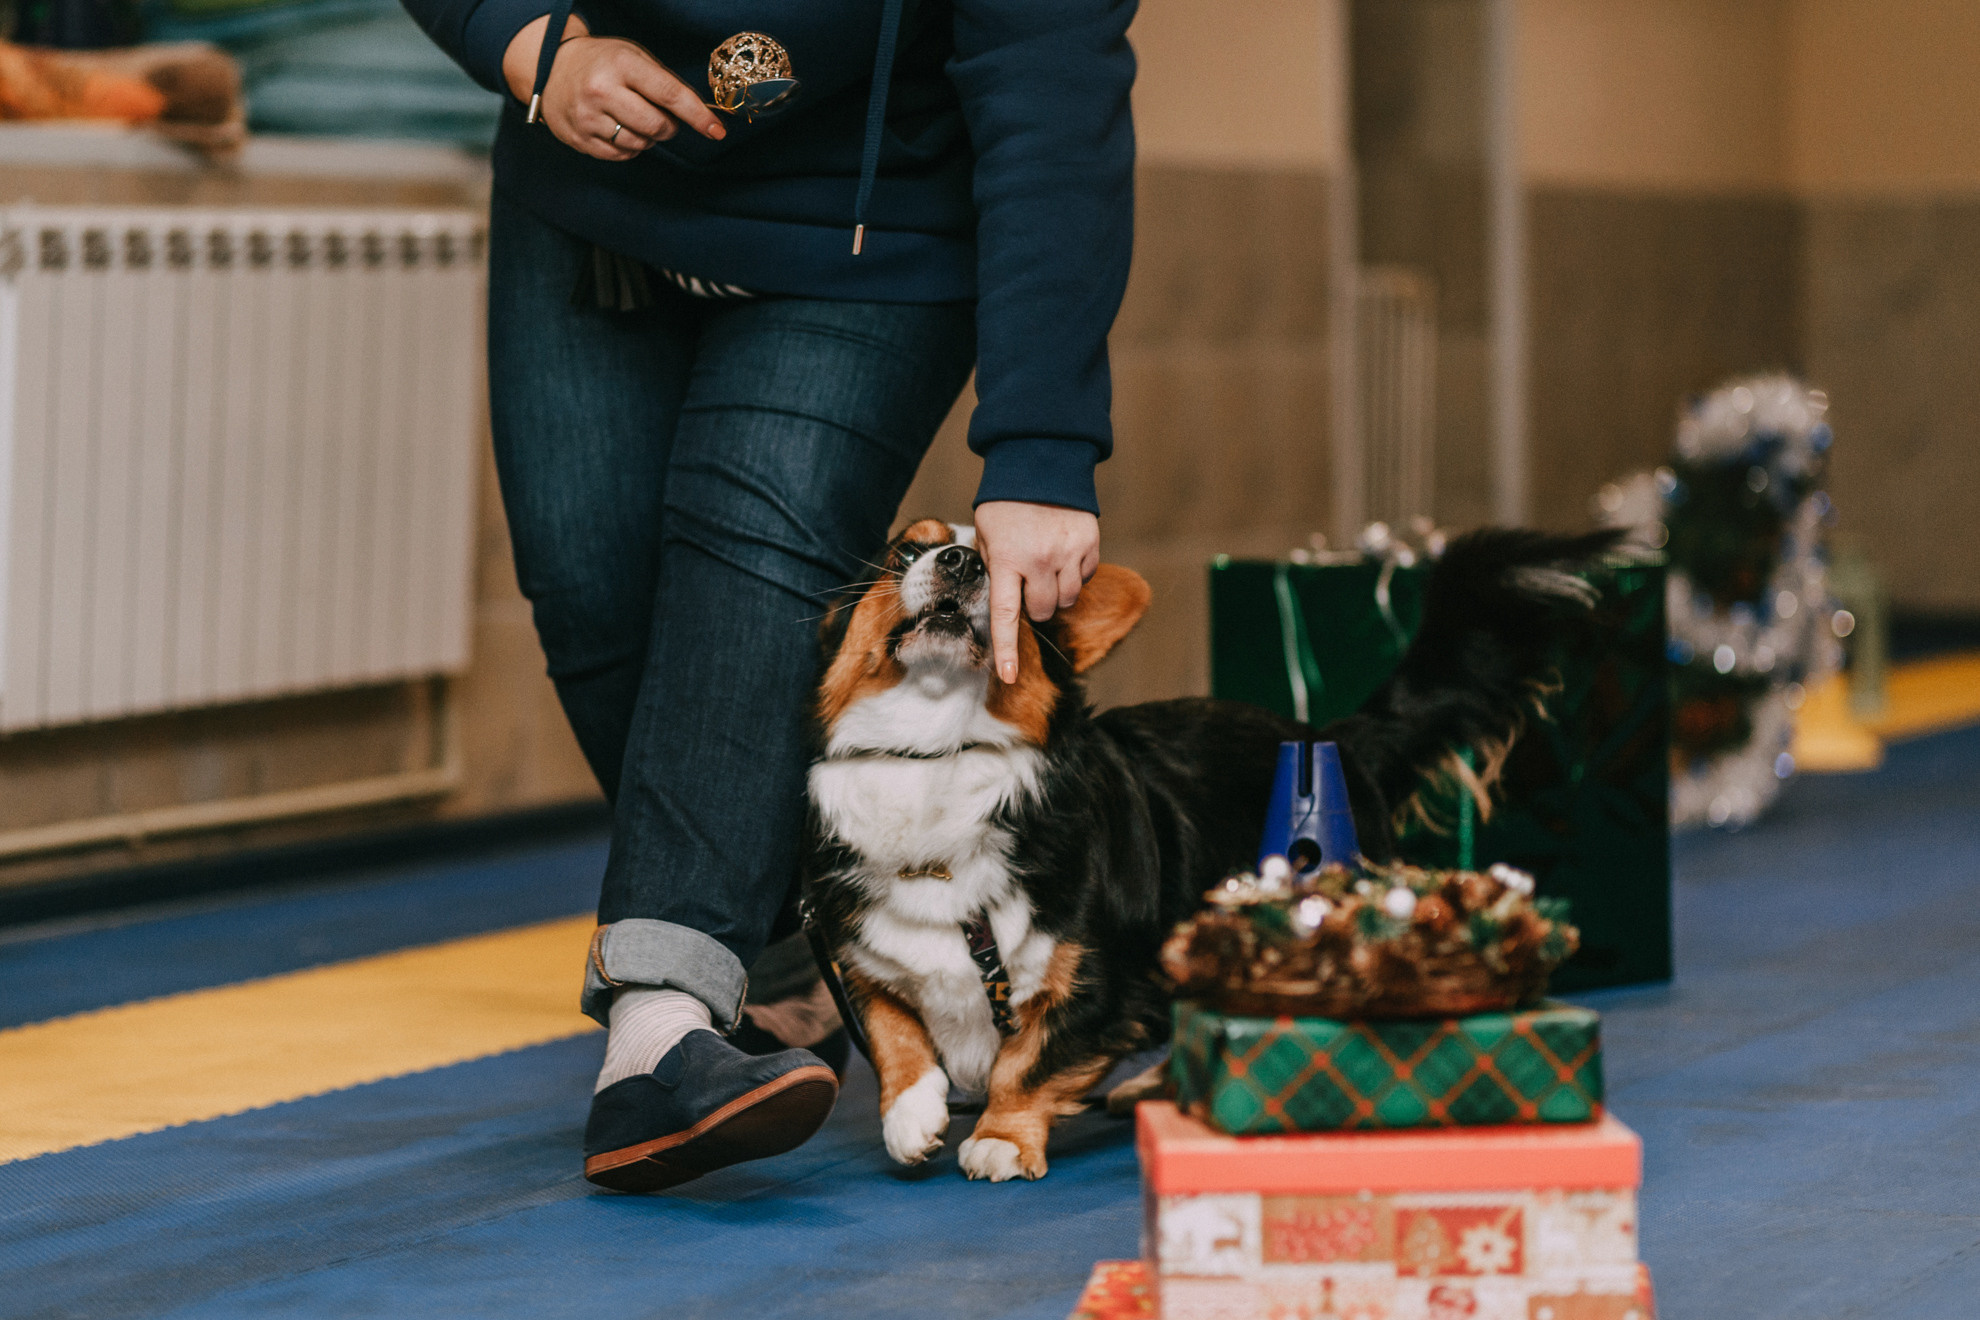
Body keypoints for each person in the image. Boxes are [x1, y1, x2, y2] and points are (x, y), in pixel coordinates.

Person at [401, 0, 1136, 1190]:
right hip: (589, 194)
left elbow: (1055, 93)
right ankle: (791, 946)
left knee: (752, 552)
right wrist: (536, 48)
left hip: (870, 237)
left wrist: (1044, 439)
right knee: (593, 596)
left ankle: (660, 1028)